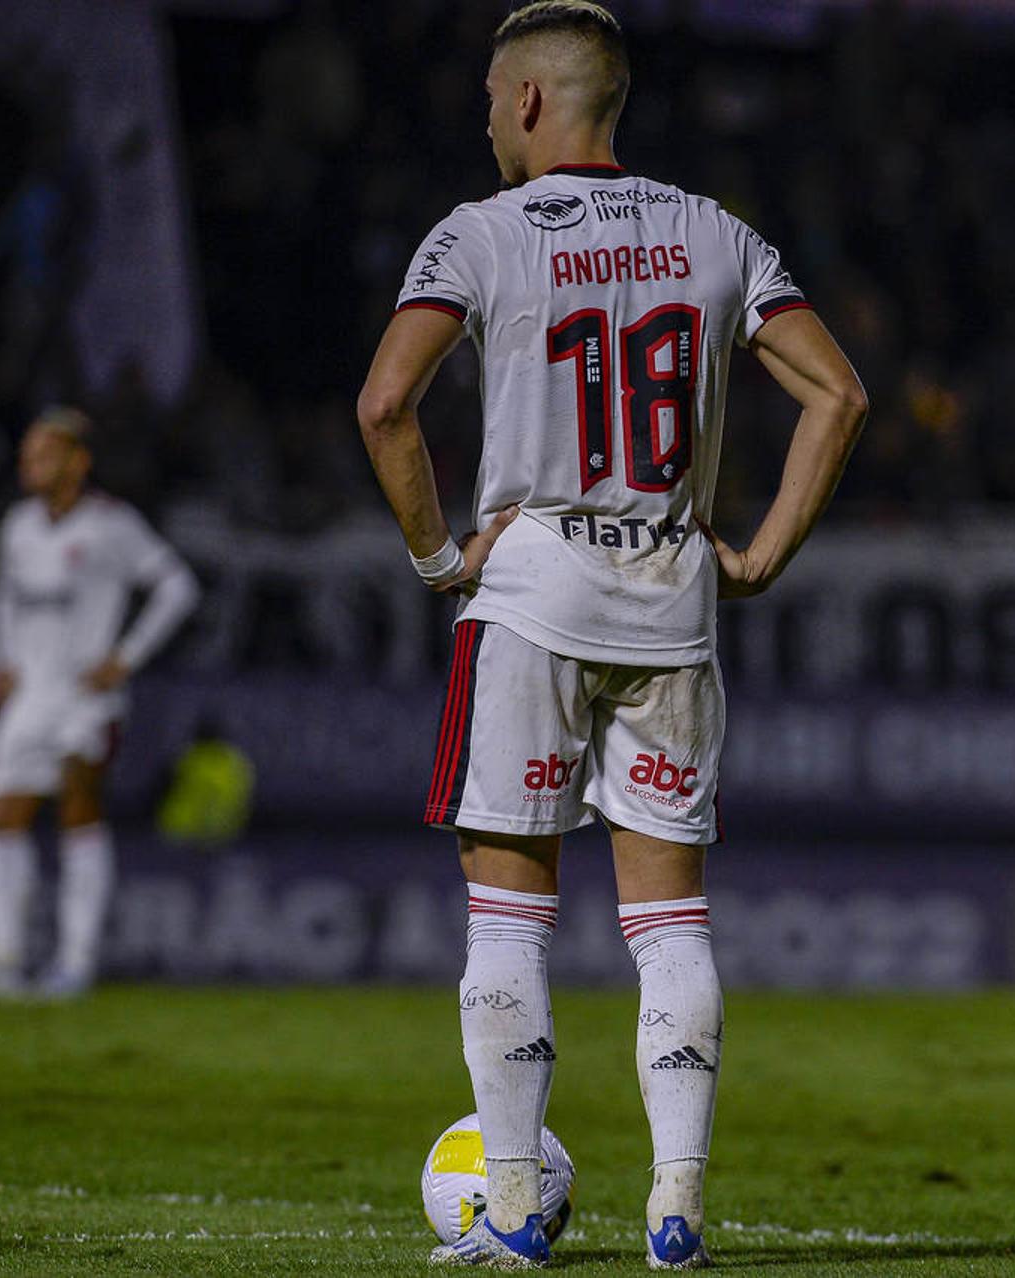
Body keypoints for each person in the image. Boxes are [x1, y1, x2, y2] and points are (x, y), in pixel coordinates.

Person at [356, 3, 867, 1268]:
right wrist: (757, 553)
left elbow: (384, 405)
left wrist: (436, 559)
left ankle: (519, 1213)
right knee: (671, 922)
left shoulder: (475, 235)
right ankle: (678, 1208)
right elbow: (839, 394)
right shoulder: (715, 232)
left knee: (508, 919)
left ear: (530, 100)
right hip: (673, 594)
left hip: (533, 593)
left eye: (489, 94)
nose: (484, 117)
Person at [0, 406, 200, 1003]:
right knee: (2, 812)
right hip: (31, 693)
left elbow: (177, 588)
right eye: (27, 454)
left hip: (85, 697)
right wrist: (4, 661)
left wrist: (125, 658)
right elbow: (4, 596)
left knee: (78, 808)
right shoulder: (19, 525)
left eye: (43, 453)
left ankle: (74, 964)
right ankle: (2, 961)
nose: (29, 464)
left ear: (78, 462)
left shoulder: (112, 524)